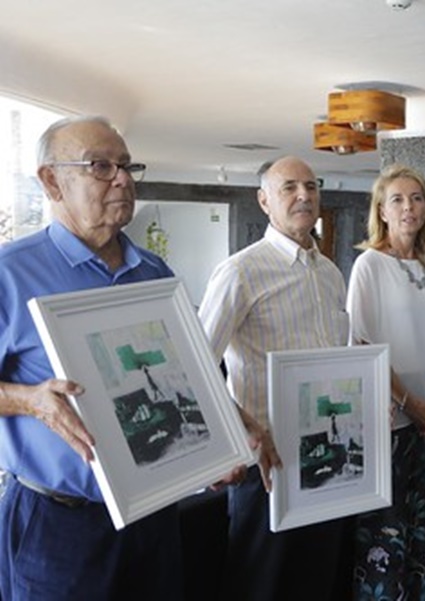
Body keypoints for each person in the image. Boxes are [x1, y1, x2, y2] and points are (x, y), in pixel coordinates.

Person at [0, 116, 270, 600]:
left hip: (154, 516)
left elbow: (186, 374)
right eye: (100, 166)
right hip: (61, 525)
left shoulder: (152, 271)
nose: (123, 179)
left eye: (126, 165)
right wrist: (30, 401)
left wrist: (232, 428)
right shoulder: (11, 273)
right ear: (51, 181)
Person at [198, 156, 350, 601]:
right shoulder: (241, 271)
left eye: (311, 186)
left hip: (327, 455)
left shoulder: (330, 273)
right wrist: (238, 432)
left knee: (318, 580)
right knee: (261, 585)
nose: (304, 196)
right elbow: (197, 366)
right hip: (267, 463)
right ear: (264, 200)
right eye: (289, 188)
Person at [347, 164, 425, 599]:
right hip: (391, 420)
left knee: (422, 523)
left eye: (416, 198)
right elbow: (363, 343)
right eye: (397, 199)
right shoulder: (369, 265)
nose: (408, 207)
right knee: (386, 530)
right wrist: (411, 403)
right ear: (382, 211)